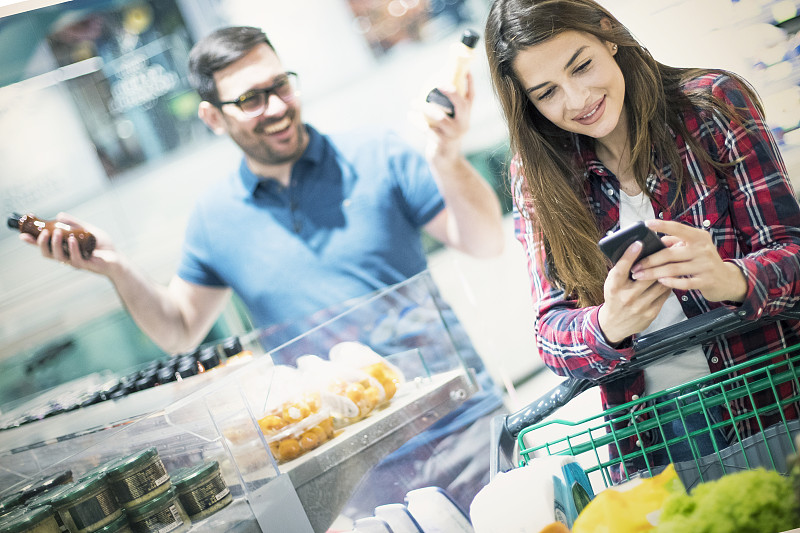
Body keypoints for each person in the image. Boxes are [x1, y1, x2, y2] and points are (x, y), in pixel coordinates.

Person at [20, 26, 506, 518]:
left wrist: (448, 157)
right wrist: (115, 267)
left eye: (280, 85)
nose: (275, 107)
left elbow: (484, 242)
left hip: (461, 424)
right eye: (251, 98)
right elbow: (178, 330)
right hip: (350, 472)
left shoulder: (377, 152)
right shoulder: (215, 218)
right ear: (212, 117)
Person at [484, 0, 800, 478]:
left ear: (608, 34)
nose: (577, 100)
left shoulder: (711, 105)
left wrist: (731, 279)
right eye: (547, 93)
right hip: (656, 434)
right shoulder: (539, 175)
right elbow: (550, 333)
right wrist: (608, 324)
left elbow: (792, 254)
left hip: (772, 394)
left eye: (582, 65)